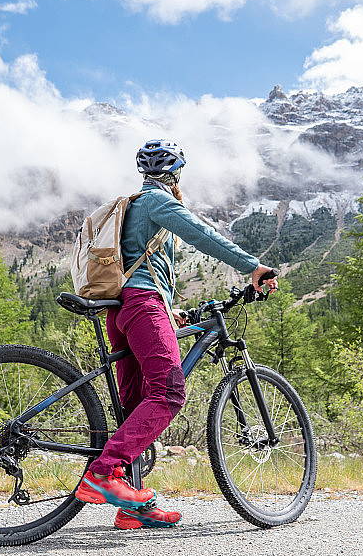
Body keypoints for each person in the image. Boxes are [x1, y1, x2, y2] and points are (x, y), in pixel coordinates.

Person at [74, 139, 277, 529]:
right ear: (177, 173)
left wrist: (169, 311)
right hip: (140, 306)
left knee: (136, 410)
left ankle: (132, 507)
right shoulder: (156, 201)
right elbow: (203, 235)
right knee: (168, 393)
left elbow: (141, 266)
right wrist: (253, 267)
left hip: (125, 311)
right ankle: (104, 474)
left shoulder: (135, 205)